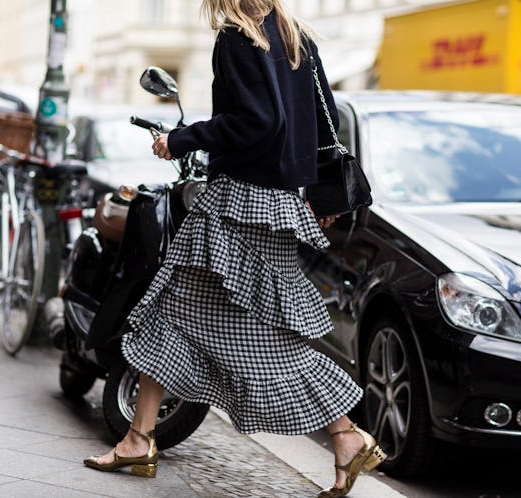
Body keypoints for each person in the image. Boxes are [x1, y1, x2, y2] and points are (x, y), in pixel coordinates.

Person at [83, 0, 385, 496]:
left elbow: (255, 122)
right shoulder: (295, 36)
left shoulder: (236, 37)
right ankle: (139, 438)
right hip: (280, 203)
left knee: (262, 336)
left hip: (240, 203)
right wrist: (310, 187)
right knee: (173, 310)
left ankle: (346, 435)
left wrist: (181, 140)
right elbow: (323, 117)